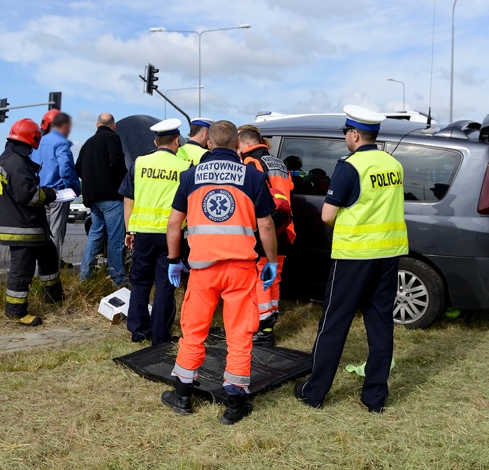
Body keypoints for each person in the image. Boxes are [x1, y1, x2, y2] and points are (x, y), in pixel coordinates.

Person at [161, 120, 279, 425]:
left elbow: (174, 224)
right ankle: (234, 406)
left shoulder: (190, 176)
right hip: (241, 268)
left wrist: (174, 259)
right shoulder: (252, 176)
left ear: (208, 144)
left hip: (202, 270)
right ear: (237, 145)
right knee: (240, 334)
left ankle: (183, 396)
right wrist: (271, 261)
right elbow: (266, 224)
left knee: (194, 331)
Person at [294, 106, 408, 412]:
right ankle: (375, 398)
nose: (346, 137)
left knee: (334, 322)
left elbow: (327, 214)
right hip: (389, 253)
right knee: (380, 323)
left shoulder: (350, 166)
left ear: (355, 134)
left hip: (355, 254)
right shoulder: (393, 164)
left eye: (346, 132)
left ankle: (314, 392)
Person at [119, 118, 190, 344]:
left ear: (155, 141)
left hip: (143, 235)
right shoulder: (185, 167)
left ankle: (138, 331)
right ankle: (161, 335)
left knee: (140, 283)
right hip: (172, 235)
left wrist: (129, 230)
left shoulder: (139, 163)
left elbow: (128, 199)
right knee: (165, 285)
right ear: (176, 140)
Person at [0, 118, 64, 326]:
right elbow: (29, 196)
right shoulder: (16, 163)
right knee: (22, 271)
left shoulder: (11, 157)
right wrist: (50, 194)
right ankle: (16, 312)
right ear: (32, 138)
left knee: (49, 258)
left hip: (31, 226)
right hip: (23, 228)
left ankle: (53, 297)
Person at [237, 125, 296, 347]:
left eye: (240, 145)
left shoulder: (251, 162)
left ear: (249, 144)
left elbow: (250, 196)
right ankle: (269, 325)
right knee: (273, 277)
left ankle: (262, 329)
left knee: (260, 277)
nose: (238, 150)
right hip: (284, 225)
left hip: (264, 226)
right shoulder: (278, 162)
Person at [76, 113, 128, 285]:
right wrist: (124, 181)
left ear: (96, 125)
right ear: (114, 126)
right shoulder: (113, 138)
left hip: (93, 198)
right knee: (115, 239)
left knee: (95, 235)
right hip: (111, 197)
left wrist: (92, 179)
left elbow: (78, 169)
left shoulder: (87, 143)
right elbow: (116, 162)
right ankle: (118, 278)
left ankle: (84, 276)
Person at [32, 111, 79, 264]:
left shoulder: (38, 142)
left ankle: (45, 266)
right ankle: (53, 269)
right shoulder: (60, 142)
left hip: (40, 192)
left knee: (44, 233)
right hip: (58, 193)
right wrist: (73, 189)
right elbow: (65, 168)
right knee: (56, 233)